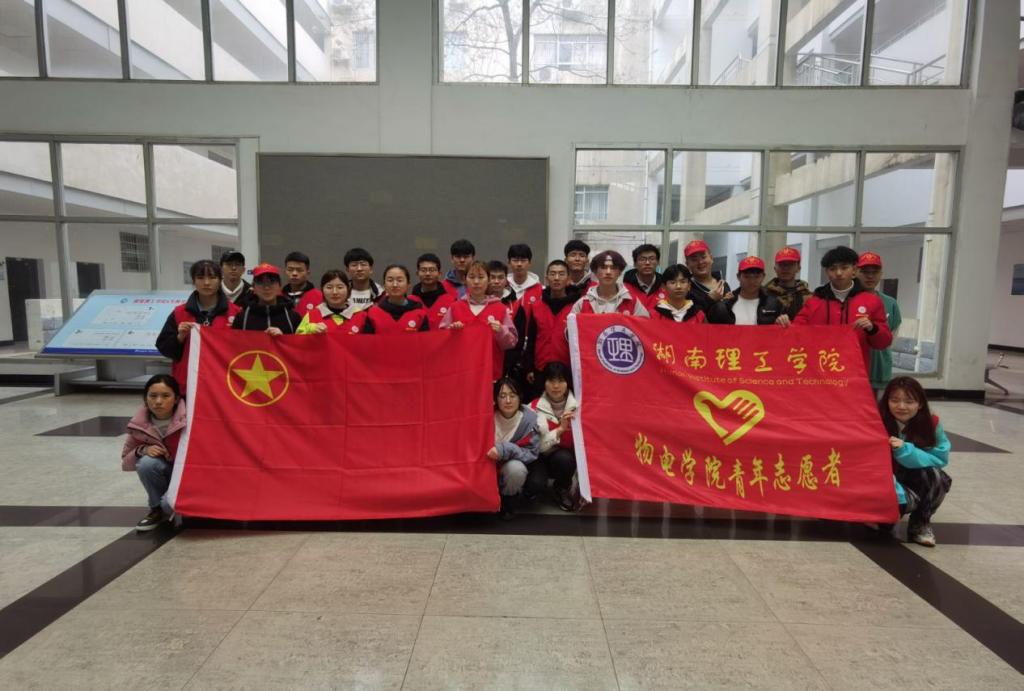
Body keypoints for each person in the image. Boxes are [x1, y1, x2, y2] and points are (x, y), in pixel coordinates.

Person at [793, 246, 892, 372]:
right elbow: (795, 334)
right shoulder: (814, 303)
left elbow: (883, 342)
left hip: (855, 374)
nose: (839, 273)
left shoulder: (871, 301)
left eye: (844, 268)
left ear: (854, 270)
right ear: (826, 272)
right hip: (820, 373)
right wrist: (784, 324)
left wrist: (873, 328)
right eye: (833, 269)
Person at [879, 376, 952, 547]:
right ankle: (887, 514)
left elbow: (939, 458)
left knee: (937, 476)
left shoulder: (931, 423)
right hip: (884, 480)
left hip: (915, 479)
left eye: (909, 401)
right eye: (894, 400)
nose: (901, 406)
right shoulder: (876, 421)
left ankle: (920, 523)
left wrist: (905, 450)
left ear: (920, 404)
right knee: (881, 526)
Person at [156, 259, 240, 392]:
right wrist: (179, 338)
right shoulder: (180, 313)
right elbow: (164, 348)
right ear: (193, 281)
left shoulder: (236, 313)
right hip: (189, 385)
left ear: (220, 280)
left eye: (212, 277)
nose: (206, 283)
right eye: (200, 278)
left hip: (223, 386)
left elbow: (243, 351)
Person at [121, 374, 186, 531]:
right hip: (166, 471)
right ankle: (156, 510)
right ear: (145, 399)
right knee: (146, 463)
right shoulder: (139, 423)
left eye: (165, 396)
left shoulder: (189, 419)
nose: (158, 401)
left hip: (187, 475)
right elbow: (126, 462)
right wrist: (142, 450)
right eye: (153, 396)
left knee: (169, 505)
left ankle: (171, 504)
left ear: (176, 399)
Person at [440, 260, 518, 382]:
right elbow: (441, 339)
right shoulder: (455, 307)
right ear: (465, 280)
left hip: (491, 376)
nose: (476, 282)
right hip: (461, 375)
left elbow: (511, 343)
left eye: (481, 277)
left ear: (488, 280)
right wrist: (452, 331)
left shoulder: (500, 308)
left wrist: (501, 331)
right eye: (472, 277)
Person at [529, 362, 581, 511]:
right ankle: (533, 489)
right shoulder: (533, 407)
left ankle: (562, 488)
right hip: (538, 457)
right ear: (544, 382)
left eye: (561, 381)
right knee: (535, 485)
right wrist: (560, 430)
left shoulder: (579, 408)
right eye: (551, 381)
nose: (556, 386)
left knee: (565, 459)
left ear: (568, 382)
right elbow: (534, 446)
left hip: (564, 459)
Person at [487, 377, 541, 519]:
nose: (508, 401)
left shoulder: (529, 420)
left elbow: (531, 453)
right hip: (487, 462)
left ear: (520, 397)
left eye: (512, 395)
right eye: (502, 396)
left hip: (508, 464)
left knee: (516, 469)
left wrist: (505, 449)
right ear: (495, 399)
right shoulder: (486, 415)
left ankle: (507, 501)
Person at [522, 260, 577, 391]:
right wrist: (529, 367)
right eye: (552, 274)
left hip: (568, 370)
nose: (556, 278)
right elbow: (531, 340)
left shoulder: (576, 307)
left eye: (561, 274)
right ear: (546, 278)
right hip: (541, 369)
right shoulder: (536, 306)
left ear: (568, 278)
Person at [858, 251, 903, 397]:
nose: (870, 276)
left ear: (881, 274)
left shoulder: (890, 303)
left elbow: (892, 337)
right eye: (865, 272)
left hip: (880, 369)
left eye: (875, 272)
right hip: (855, 368)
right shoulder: (848, 301)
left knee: (878, 408)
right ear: (855, 272)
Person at [348, 264, 429, 333]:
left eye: (399, 280)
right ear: (384, 285)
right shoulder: (373, 313)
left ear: (408, 284)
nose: (395, 285)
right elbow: (368, 343)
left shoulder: (419, 313)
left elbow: (425, 343)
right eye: (390, 280)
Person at [571, 250, 651, 317]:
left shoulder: (632, 302)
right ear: (595, 272)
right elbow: (571, 328)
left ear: (620, 272)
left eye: (613, 268)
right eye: (603, 267)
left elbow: (645, 326)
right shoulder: (582, 303)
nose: (608, 272)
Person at [232, 263, 302, 335]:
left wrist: (283, 338)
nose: (266, 287)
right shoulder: (241, 318)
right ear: (254, 288)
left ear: (279, 287)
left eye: (272, 282)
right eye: (261, 282)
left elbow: (300, 341)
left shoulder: (293, 317)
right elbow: (234, 341)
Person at [720, 256, 789, 326]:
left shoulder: (774, 304)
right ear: (738, 277)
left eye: (757, 277)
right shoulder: (727, 304)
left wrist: (782, 322)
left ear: (763, 276)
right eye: (747, 276)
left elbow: (782, 328)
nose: (752, 281)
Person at [652, 264, 727, 323]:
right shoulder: (655, 314)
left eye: (683, 282)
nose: (678, 286)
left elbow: (705, 337)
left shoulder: (698, 315)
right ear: (663, 287)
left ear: (689, 286)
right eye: (673, 282)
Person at [296, 269, 357, 334]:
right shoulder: (311, 315)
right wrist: (310, 329)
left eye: (340, 287)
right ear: (322, 290)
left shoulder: (360, 316)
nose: (335, 292)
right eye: (329, 287)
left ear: (348, 289)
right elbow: (297, 339)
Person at [683, 240, 731, 315]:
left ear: (711, 258)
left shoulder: (723, 284)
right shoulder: (685, 288)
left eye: (703, 257)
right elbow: (687, 315)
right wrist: (710, 299)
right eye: (694, 259)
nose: (700, 262)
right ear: (687, 264)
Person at [411, 252, 456, 328]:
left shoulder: (451, 301)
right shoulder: (410, 302)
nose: (428, 274)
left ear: (439, 274)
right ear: (417, 273)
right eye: (423, 270)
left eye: (432, 270)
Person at [764, 246, 812, 319]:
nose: (786, 268)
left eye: (790, 264)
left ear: (798, 268)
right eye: (781, 264)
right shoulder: (763, 295)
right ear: (775, 268)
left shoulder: (809, 298)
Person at [623, 243, 666, 309]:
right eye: (642, 259)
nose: (647, 263)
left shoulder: (665, 286)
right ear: (635, 264)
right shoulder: (624, 289)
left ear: (658, 262)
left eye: (652, 259)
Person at [283, 251, 324, 315]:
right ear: (285, 271)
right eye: (290, 270)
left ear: (308, 273)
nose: (294, 273)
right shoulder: (278, 297)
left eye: (299, 270)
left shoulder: (320, 297)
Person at [344, 247, 383, 312]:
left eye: (363, 264)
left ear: (371, 269)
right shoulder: (340, 293)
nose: (359, 269)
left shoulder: (381, 293)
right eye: (354, 265)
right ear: (347, 270)